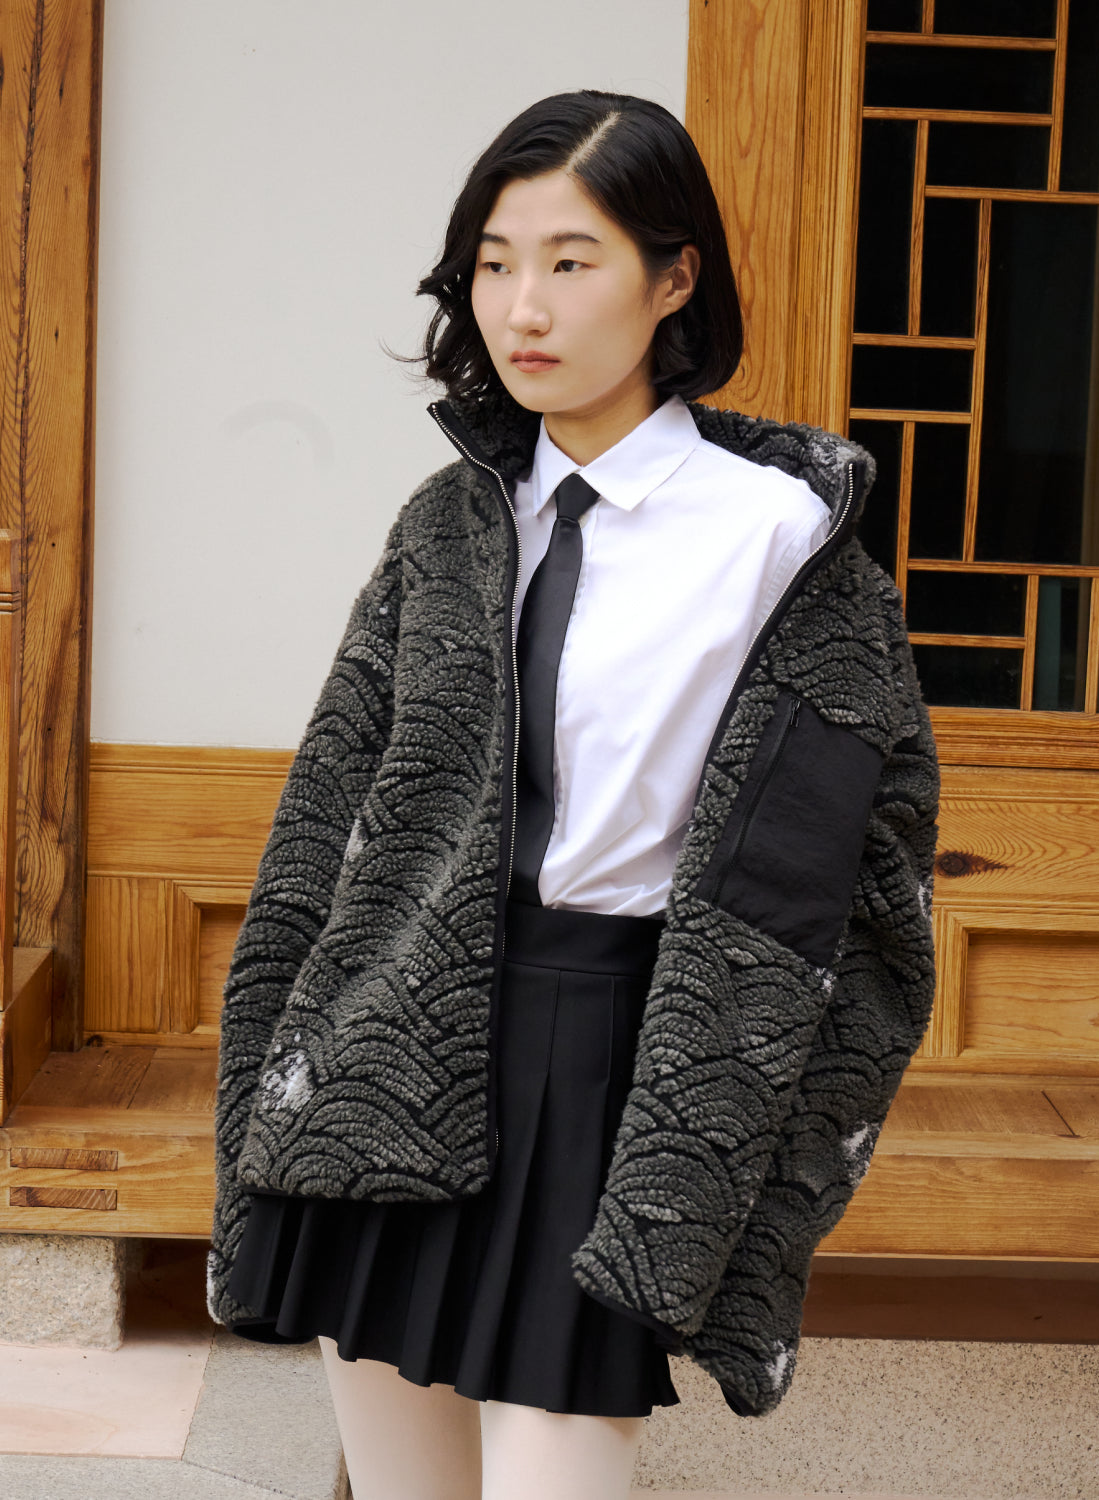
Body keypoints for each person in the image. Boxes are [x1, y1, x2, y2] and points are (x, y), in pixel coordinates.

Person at [206, 89, 940, 1500]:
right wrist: (262, 1097)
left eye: (570, 259)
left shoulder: (787, 543)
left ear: (675, 280)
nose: (521, 305)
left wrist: (762, 1162)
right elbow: (324, 826)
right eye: (493, 260)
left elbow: (856, 905)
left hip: (613, 1055)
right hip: (389, 1046)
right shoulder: (447, 524)